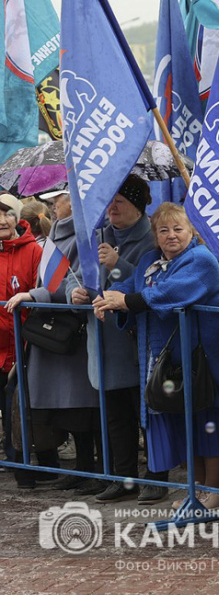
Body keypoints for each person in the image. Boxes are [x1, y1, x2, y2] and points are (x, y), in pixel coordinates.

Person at [93, 203, 219, 511]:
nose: (171, 236)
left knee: (211, 420)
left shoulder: (202, 259)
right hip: (167, 361)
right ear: (155, 235)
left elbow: (173, 292)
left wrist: (127, 301)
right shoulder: (149, 260)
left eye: (178, 229)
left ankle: (215, 493)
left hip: (204, 358)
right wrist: (108, 299)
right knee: (186, 424)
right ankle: (196, 492)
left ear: (192, 231)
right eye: (164, 230)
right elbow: (127, 286)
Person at [66, 176, 163, 502]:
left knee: (149, 416)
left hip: (138, 343)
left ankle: (157, 478)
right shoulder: (94, 237)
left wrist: (117, 265)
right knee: (117, 417)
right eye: (109, 200)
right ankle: (123, 478)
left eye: (119, 201)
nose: (112, 207)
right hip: (103, 345)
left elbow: (151, 286)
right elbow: (73, 276)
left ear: (137, 205)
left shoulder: (153, 239)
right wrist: (74, 293)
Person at [6, 196, 101, 493]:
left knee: (82, 410)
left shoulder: (87, 235)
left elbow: (75, 285)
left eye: (57, 200)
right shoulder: (56, 233)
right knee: (67, 411)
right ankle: (83, 469)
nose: (53, 206)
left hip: (72, 336)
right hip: (51, 338)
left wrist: (34, 296)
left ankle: (93, 469)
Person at [0, 194, 52, 488]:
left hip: (27, 343)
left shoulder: (34, 250)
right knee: (7, 408)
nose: (0, 221)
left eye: (6, 214)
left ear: (17, 218)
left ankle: (43, 464)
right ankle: (16, 464)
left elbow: (40, 291)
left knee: (26, 405)